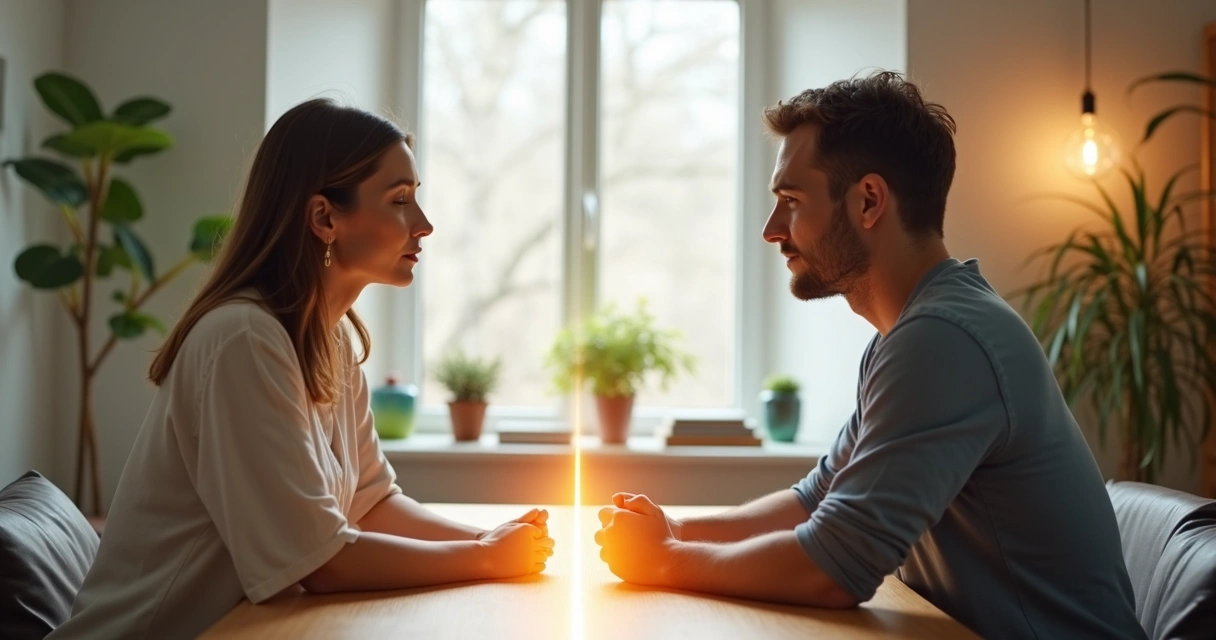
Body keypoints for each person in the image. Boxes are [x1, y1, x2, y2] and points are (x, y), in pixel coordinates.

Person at [593, 71, 1146, 639]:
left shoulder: (943, 339)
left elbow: (834, 569)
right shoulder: (909, 334)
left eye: (790, 200)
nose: (770, 230)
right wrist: (677, 530)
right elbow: (816, 502)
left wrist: (662, 560)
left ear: (869, 201)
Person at [49, 99, 555, 639]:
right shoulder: (244, 339)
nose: (424, 225)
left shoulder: (328, 337)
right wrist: (483, 560)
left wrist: (485, 540)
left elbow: (373, 503)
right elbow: (321, 562)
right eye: (400, 200)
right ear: (324, 217)